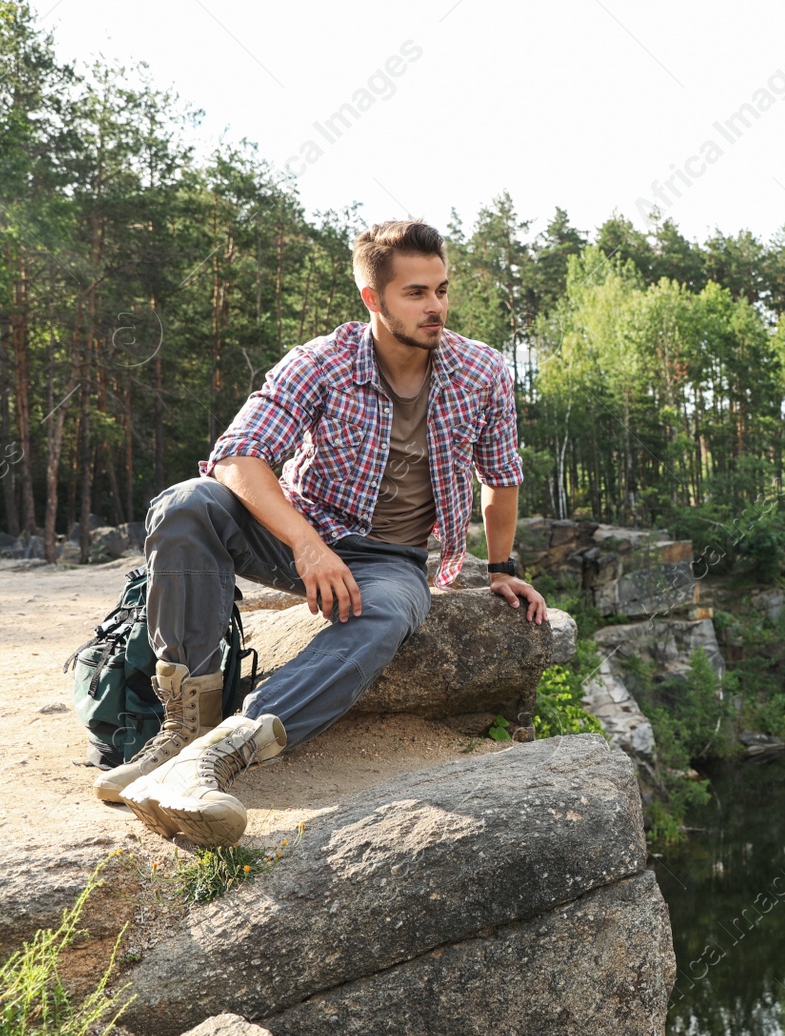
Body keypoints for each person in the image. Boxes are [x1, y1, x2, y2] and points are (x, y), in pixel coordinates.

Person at [94, 218, 548, 847]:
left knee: (386, 611)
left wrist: (502, 569)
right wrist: (307, 544)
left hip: (388, 559)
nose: (436, 306)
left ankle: (215, 756)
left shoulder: (483, 372)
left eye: (442, 289)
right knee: (186, 503)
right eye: (416, 293)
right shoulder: (321, 361)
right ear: (373, 298)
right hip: (297, 537)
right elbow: (238, 456)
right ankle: (180, 730)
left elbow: (500, 476)